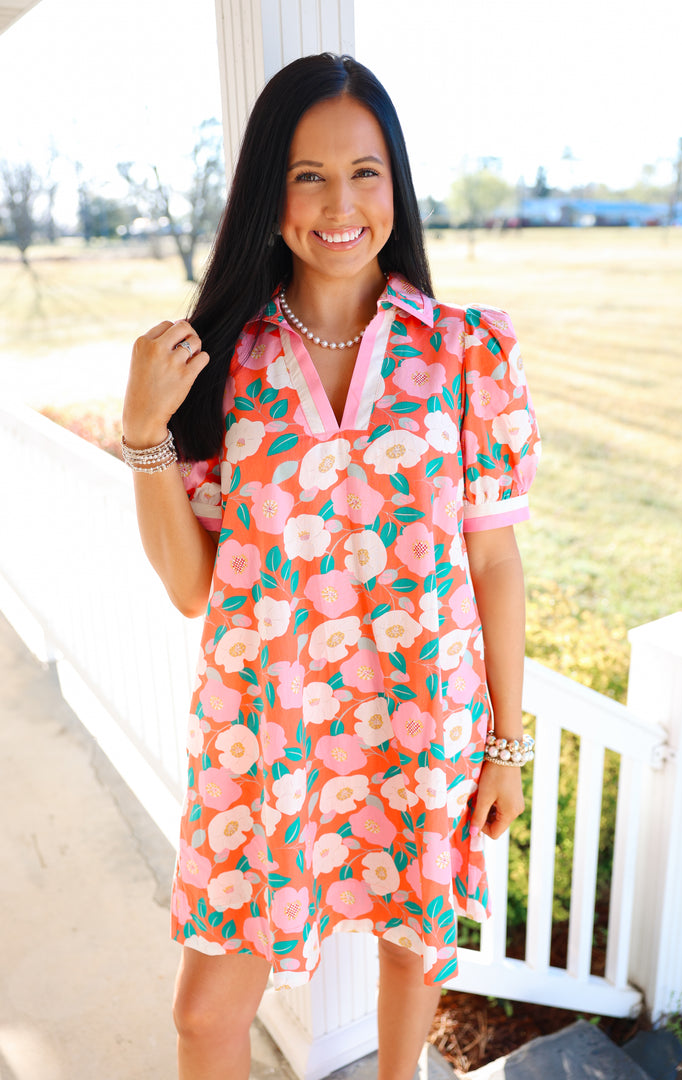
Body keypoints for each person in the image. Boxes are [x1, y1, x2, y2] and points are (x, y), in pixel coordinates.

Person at [122, 52, 540, 1080]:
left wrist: (505, 744)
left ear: (396, 184)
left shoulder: (465, 353)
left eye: (366, 171)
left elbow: (494, 564)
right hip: (265, 743)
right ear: (271, 191)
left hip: (422, 721)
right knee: (205, 1015)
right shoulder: (219, 365)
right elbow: (191, 588)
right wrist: (143, 431)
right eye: (308, 174)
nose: (340, 203)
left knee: (413, 952)